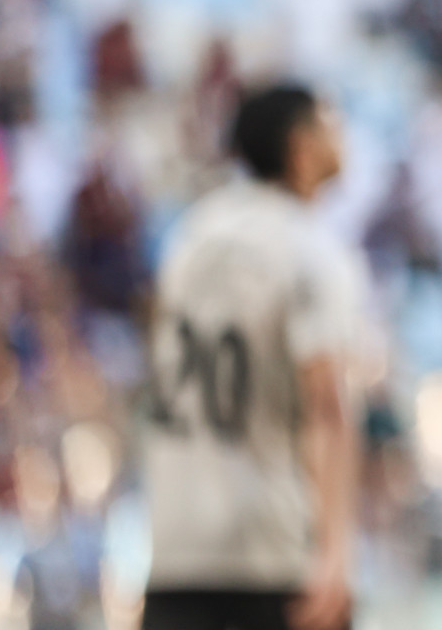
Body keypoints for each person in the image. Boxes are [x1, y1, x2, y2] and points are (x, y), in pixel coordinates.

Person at [142, 84, 364, 630]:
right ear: (301, 145)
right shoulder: (309, 249)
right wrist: (335, 555)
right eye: (329, 122)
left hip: (175, 547)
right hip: (269, 552)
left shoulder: (187, 238)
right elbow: (325, 407)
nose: (343, 135)